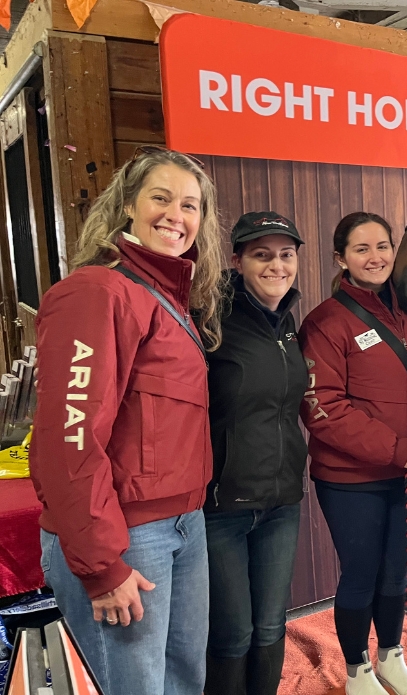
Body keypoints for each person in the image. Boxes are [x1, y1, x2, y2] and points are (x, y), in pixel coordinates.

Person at [30, 147, 224, 695]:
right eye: (160, 198)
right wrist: (100, 565)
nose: (175, 215)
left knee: (182, 680)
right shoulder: (99, 290)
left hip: (184, 522)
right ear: (128, 207)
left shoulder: (168, 298)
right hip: (128, 537)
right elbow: (69, 439)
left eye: (190, 205)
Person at [298, 212, 407, 695]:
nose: (375, 258)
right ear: (341, 259)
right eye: (361, 249)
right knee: (362, 571)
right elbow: (322, 408)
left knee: (398, 567)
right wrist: (396, 449)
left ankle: (391, 655)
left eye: (382, 247)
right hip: (352, 477)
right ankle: (357, 672)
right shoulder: (325, 323)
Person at [203, 212, 309, 695]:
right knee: (233, 634)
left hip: (281, 503)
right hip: (223, 508)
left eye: (286, 255)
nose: (276, 266)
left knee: (270, 628)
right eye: (262, 255)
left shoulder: (288, 323)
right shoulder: (211, 321)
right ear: (238, 260)